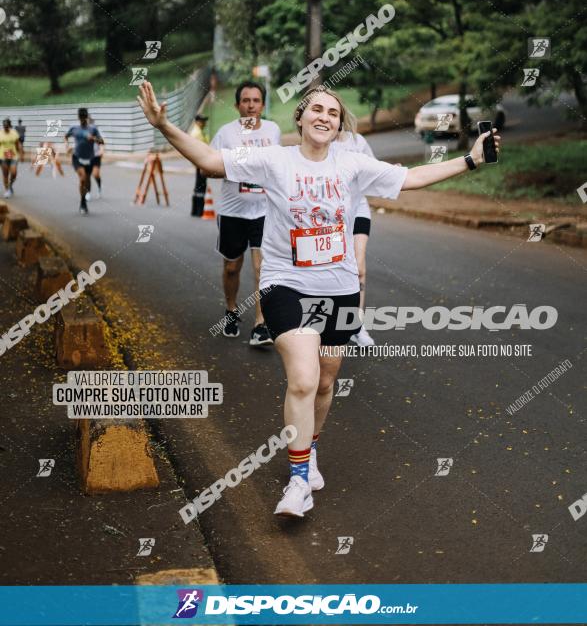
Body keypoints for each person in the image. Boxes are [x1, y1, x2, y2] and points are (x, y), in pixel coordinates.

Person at [138, 80, 501, 518]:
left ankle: (308, 452)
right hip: (285, 283)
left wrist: (472, 159)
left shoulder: (352, 165)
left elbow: (413, 177)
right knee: (304, 379)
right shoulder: (274, 159)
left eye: (333, 112)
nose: (325, 117)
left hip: (340, 287)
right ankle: (296, 483)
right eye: (317, 110)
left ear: (338, 123)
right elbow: (212, 161)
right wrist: (164, 126)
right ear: (301, 117)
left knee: (326, 382)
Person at [209, 81, 281, 347]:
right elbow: (208, 167)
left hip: (264, 210)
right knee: (231, 268)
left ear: (263, 104)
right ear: (238, 104)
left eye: (256, 100)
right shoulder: (226, 134)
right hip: (232, 212)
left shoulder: (273, 131)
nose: (251, 105)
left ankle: (261, 324)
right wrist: (238, 169)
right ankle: (231, 310)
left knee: (262, 267)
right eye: (246, 100)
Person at [332, 129, 376, 347]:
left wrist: (389, 172)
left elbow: (373, 168)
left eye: (333, 113)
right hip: (331, 213)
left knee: (359, 268)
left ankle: (357, 327)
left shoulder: (357, 141)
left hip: (358, 209)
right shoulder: (320, 142)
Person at [64, 109, 103, 214]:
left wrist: (94, 139)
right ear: (78, 117)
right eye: (81, 117)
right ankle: (82, 202)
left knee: (87, 180)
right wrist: (67, 146)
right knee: (82, 179)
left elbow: (101, 141)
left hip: (89, 159)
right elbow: (66, 136)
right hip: (77, 158)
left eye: (84, 117)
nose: (82, 119)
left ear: (87, 117)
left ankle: (84, 199)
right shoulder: (74, 128)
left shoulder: (93, 129)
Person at [189, 114, 209, 217]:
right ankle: (198, 210)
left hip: (199, 163)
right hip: (201, 163)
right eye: (203, 121)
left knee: (198, 186)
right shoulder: (197, 133)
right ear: (197, 121)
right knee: (201, 186)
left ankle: (195, 210)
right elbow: (202, 149)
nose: (205, 123)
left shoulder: (198, 132)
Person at [0, 118, 24, 197]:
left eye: (7, 126)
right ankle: (7, 190)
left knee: (14, 173)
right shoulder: (0, 133)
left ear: (10, 126)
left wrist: (20, 154)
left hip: (13, 155)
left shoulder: (14, 133)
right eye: (4, 126)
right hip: (3, 156)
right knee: (5, 174)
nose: (6, 128)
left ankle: (10, 185)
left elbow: (18, 144)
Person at [86, 115, 104, 201]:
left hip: (96, 156)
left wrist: (101, 150)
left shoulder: (97, 131)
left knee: (95, 174)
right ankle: (88, 192)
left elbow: (101, 142)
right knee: (87, 176)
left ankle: (100, 187)